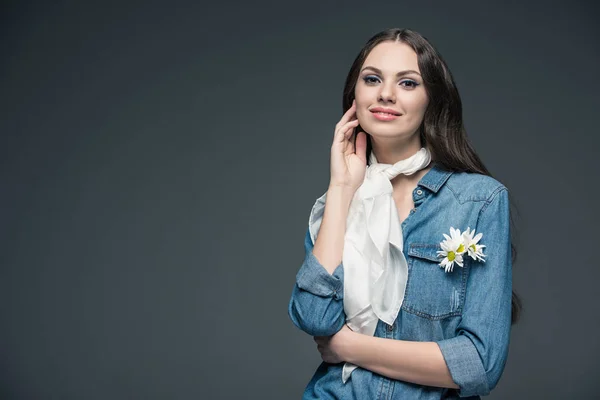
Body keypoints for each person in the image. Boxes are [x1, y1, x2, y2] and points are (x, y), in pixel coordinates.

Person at [287, 28, 522, 400]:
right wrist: (341, 189)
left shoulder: (480, 201)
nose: (385, 93)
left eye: (408, 83)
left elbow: (480, 363)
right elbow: (314, 317)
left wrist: (349, 348)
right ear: (355, 96)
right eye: (372, 79)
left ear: (433, 101)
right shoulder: (336, 203)